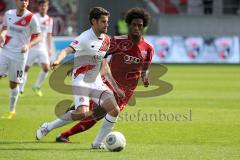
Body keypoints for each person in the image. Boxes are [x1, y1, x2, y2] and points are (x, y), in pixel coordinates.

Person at [56, 8, 153, 147]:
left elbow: (145, 69)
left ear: (144, 26)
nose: (137, 28)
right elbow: (96, 55)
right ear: (128, 25)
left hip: (126, 92)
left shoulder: (148, 49)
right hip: (109, 83)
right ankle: (70, 134)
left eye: (140, 25)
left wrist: (145, 78)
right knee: (96, 114)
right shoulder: (117, 41)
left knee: (97, 114)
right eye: (134, 25)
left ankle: (67, 131)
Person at [36, 7, 125, 149]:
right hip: (81, 80)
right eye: (103, 22)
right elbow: (67, 50)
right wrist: (58, 60)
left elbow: (104, 65)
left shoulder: (107, 40)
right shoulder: (84, 37)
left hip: (96, 81)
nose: (106, 24)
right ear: (94, 22)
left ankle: (96, 143)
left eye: (107, 21)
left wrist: (115, 88)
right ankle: (47, 127)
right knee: (81, 113)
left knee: (114, 110)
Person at [0, 0, 41, 119]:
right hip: (5, 51)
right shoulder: (8, 14)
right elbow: (4, 28)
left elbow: (39, 37)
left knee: (13, 84)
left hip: (19, 56)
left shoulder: (31, 18)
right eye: (21, 0)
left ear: (28, 3)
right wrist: (2, 35)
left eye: (26, 0)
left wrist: (28, 45)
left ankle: (12, 110)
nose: (23, 2)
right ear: (16, 2)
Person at [19, 0, 53, 97]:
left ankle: (36, 86)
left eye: (45, 6)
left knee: (46, 68)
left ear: (47, 7)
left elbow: (49, 35)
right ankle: (21, 89)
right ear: (39, 7)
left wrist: (49, 48)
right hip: (32, 46)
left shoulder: (50, 19)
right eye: (41, 6)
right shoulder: (34, 17)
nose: (43, 8)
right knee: (25, 68)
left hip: (42, 48)